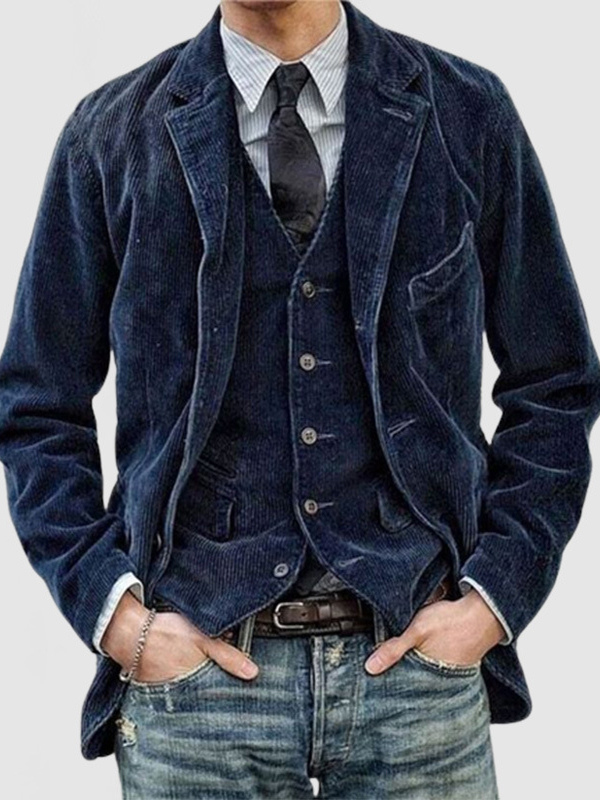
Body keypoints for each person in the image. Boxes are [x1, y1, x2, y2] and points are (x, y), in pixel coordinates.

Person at [1, 0, 598, 797]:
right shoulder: (110, 136)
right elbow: (36, 406)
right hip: (196, 697)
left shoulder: (466, 113)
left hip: (417, 681)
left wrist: (493, 599)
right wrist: (117, 618)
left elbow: (555, 381)